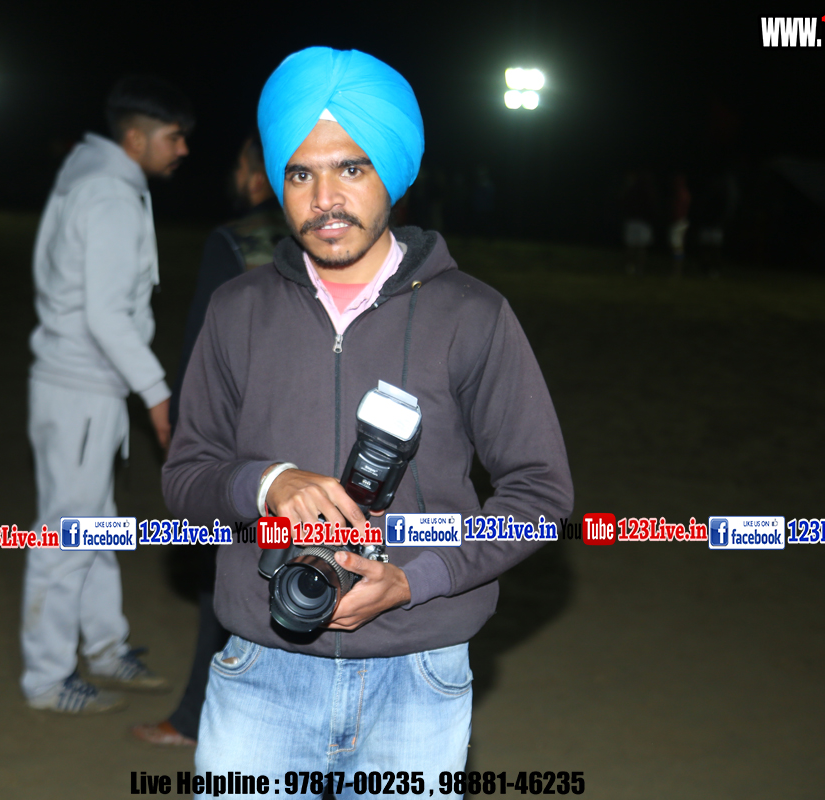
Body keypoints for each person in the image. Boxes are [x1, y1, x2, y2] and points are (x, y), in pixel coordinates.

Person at [163, 47, 573, 795]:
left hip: (419, 676)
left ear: (394, 171)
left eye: (351, 167)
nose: (325, 199)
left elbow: (539, 495)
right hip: (260, 670)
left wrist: (417, 581)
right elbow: (186, 477)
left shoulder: (474, 316)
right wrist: (266, 484)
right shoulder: (236, 312)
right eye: (300, 174)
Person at [22, 75, 192, 714]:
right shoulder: (111, 196)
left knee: (94, 525)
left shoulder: (87, 175)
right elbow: (105, 316)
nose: (182, 149)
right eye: (174, 136)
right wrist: (158, 394)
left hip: (77, 383)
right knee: (67, 534)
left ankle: (104, 646)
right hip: (82, 387)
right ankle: (47, 678)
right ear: (136, 138)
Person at [131, 130, 290, 746]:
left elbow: (202, 350)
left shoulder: (235, 241)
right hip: (330, 445)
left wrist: (183, 433)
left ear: (255, 172)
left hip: (244, 451)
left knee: (223, 575)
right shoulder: (356, 242)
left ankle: (199, 716)